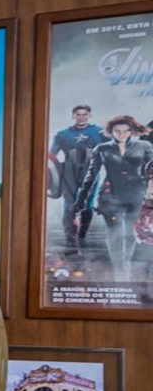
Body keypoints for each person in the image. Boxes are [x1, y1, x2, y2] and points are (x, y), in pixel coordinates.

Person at [74, 115, 153, 281]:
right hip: (110, 195)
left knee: (131, 232)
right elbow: (91, 175)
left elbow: (150, 172)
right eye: (118, 131)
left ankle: (126, 264)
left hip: (136, 194)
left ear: (131, 131)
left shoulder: (144, 146)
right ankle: (119, 268)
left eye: (125, 131)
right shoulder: (102, 149)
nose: (122, 134)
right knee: (114, 232)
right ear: (111, 132)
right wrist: (81, 199)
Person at [48, 105, 106, 251]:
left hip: (91, 169)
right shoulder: (62, 134)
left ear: (89, 115)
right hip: (69, 170)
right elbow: (51, 156)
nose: (81, 117)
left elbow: (109, 150)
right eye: (78, 115)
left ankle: (82, 236)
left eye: (84, 114)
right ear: (73, 116)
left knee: (88, 204)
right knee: (69, 204)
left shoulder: (99, 132)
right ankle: (70, 238)